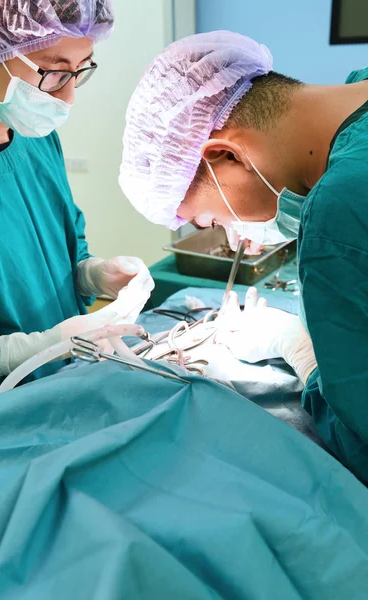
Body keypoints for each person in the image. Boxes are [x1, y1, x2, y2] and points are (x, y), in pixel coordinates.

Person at [119, 31, 368, 483]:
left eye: (211, 221)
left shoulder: (341, 209)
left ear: (225, 154)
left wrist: (302, 351)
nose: (235, 237)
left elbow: (362, 448)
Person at [0, 0, 153, 403]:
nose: (68, 98)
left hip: (68, 386)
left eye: (80, 70)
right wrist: (16, 353)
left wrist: (92, 274)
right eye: (53, 72)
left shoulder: (37, 141)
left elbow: (60, 251)